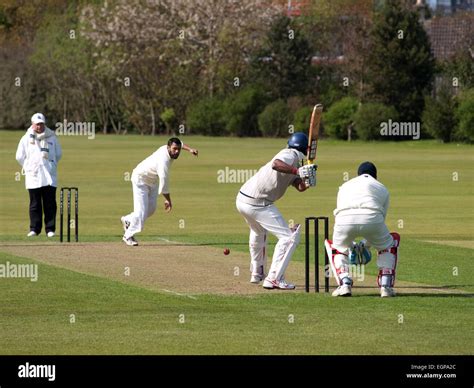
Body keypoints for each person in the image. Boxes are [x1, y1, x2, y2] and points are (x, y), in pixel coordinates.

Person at [236, 133, 317, 290]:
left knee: (258, 232)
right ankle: (274, 278)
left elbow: (300, 187)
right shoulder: (290, 154)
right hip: (259, 203)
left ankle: (257, 272)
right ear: (303, 149)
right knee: (288, 238)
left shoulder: (294, 162)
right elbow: (276, 164)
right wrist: (297, 171)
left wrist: (309, 178)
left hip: (242, 200)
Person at [325, 162, 400, 298]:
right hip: (372, 218)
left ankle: (345, 283)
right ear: (375, 176)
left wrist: (354, 246)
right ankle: (386, 286)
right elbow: (379, 220)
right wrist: (365, 245)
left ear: (358, 174)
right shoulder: (382, 187)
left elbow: (341, 212)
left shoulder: (344, 186)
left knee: (337, 247)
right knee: (389, 244)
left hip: (344, 220)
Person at [121, 138, 198, 246]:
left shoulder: (168, 148)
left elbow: (180, 143)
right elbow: (164, 185)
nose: (177, 151)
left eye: (178, 149)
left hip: (152, 181)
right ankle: (128, 236)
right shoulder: (164, 162)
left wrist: (189, 149)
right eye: (174, 149)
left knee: (151, 209)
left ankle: (128, 220)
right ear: (168, 147)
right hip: (140, 180)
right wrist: (168, 200)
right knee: (140, 213)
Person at [15, 113, 62, 237]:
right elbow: (19, 156)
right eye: (37, 124)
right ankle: (34, 229)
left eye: (41, 124)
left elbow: (58, 154)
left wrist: (51, 164)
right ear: (32, 124)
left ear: (44, 124)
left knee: (50, 203)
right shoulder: (26, 138)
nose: (39, 127)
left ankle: (50, 229)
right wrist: (28, 166)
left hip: (49, 175)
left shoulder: (52, 137)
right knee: (35, 204)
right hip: (33, 175)